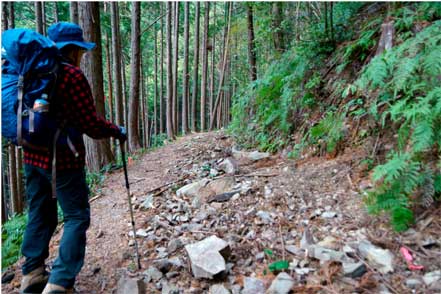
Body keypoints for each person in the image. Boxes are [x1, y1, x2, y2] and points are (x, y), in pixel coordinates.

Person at [19, 22, 126, 294]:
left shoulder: (30, 72)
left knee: (40, 212)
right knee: (76, 216)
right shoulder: (71, 76)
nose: (82, 56)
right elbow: (90, 124)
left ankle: (32, 274)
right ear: (73, 50)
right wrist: (117, 131)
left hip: (32, 156)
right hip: (63, 160)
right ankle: (60, 282)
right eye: (80, 50)